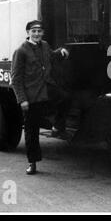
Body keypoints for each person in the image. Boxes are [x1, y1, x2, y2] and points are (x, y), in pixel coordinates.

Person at [11, 20, 69, 175]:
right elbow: (15, 79)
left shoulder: (44, 45)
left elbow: (51, 56)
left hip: (47, 89)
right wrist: (22, 99)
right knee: (31, 130)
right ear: (28, 33)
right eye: (33, 31)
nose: (37, 34)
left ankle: (57, 126)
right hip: (32, 95)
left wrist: (61, 51)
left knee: (64, 98)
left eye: (39, 31)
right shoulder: (21, 51)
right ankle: (32, 162)